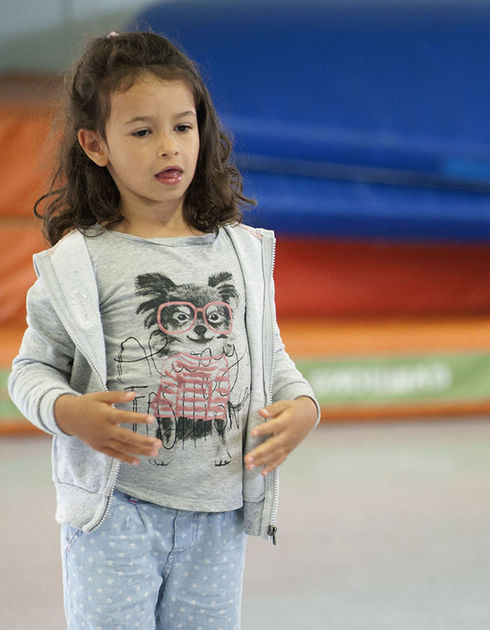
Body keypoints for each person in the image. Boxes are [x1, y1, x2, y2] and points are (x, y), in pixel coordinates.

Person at [7, 31, 319, 628]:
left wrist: (303, 407)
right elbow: (30, 370)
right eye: (142, 131)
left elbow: (269, 354)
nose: (168, 147)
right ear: (95, 145)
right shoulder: (82, 262)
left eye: (182, 126)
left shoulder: (241, 250)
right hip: (117, 509)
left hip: (218, 513)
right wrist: (71, 413)